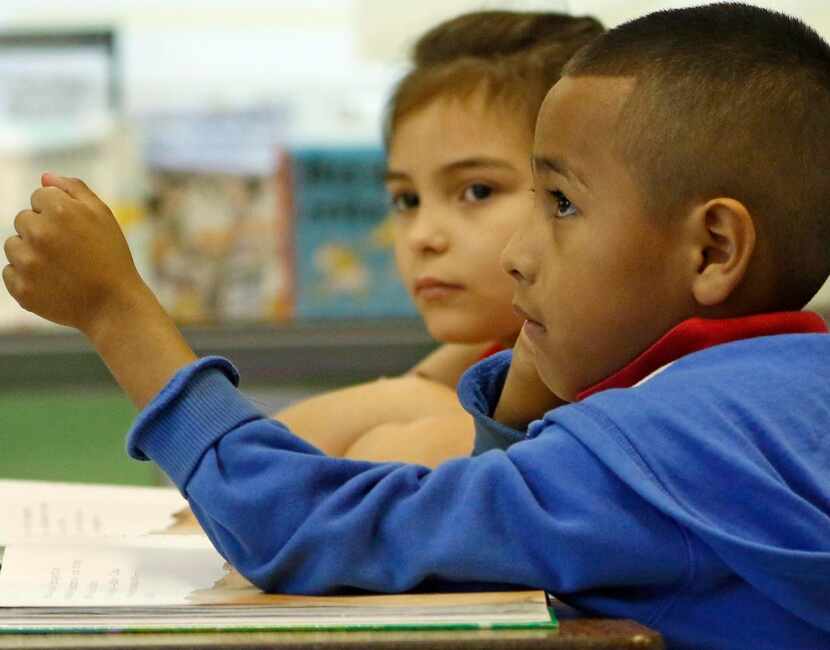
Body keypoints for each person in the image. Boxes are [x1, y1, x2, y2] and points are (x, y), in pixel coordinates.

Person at [3, 3, 830, 649]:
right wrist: (522, 394)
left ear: (714, 248)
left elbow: (305, 532)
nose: (515, 252)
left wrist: (118, 313)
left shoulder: (661, 449)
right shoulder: (779, 397)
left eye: (562, 204)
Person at [274, 10, 604, 467]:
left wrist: (415, 394)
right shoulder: (489, 358)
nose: (423, 237)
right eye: (406, 200)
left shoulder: (625, 388)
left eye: (477, 191)